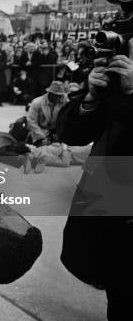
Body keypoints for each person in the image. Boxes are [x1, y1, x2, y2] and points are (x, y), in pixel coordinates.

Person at [56, 46, 133, 320]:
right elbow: (70, 132)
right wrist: (92, 98)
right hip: (113, 207)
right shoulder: (120, 79)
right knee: (120, 296)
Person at [27, 80, 68, 145]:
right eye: (56, 95)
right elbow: (31, 122)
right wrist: (41, 137)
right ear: (50, 93)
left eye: (60, 95)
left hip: (56, 130)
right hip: (40, 130)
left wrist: (59, 134)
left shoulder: (64, 101)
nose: (59, 98)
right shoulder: (37, 102)